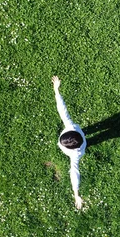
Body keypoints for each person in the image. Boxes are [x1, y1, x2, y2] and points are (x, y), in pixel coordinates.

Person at [52, 76, 87, 209]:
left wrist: (76, 193)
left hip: (82, 142)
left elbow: (74, 172)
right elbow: (62, 110)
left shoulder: (76, 155)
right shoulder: (71, 127)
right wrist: (56, 91)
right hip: (80, 137)